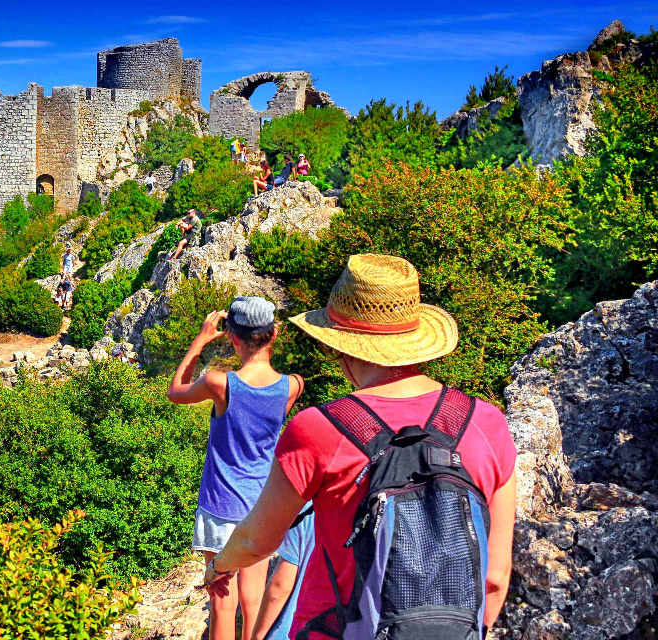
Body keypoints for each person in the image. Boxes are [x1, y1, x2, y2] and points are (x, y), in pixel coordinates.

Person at [202, 254, 517, 640]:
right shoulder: (487, 423)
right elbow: (496, 579)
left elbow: (256, 540)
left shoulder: (318, 429)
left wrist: (220, 567)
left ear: (342, 346)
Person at [166, 297, 304, 640]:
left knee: (222, 600)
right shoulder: (292, 386)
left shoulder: (220, 383)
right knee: (252, 598)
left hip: (220, 505)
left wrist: (200, 339)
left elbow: (175, 392)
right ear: (274, 334)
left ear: (233, 338)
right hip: (260, 505)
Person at [252, 504, 314, 640]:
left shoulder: (306, 513)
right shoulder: (366, 519)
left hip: (291, 632)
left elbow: (279, 588)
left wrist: (258, 635)